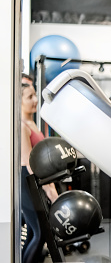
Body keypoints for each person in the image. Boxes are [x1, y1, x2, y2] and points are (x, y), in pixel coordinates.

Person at [20, 81, 59, 263]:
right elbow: (30, 163)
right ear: (19, 100)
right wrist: (49, 190)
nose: (35, 100)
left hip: (35, 180)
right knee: (40, 233)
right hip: (28, 181)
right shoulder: (21, 127)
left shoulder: (31, 123)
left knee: (35, 233)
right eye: (30, 97)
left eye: (35, 95)